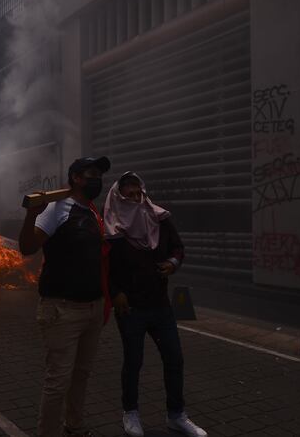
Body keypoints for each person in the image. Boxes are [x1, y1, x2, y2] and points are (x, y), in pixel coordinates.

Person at [104, 172, 206, 437]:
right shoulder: (111, 228)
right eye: (129, 194)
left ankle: (176, 415)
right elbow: (103, 266)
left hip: (160, 305)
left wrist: (173, 263)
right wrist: (115, 293)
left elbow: (178, 247)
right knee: (133, 361)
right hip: (130, 308)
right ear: (118, 196)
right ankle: (130, 413)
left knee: (174, 358)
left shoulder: (159, 217)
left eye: (139, 193)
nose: (136, 199)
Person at [19, 156, 112, 437]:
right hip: (62, 310)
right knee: (58, 381)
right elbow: (27, 247)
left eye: (98, 174)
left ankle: (75, 426)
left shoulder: (94, 212)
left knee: (81, 376)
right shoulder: (57, 208)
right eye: (90, 174)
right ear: (75, 178)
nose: (96, 179)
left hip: (93, 309)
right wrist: (32, 214)